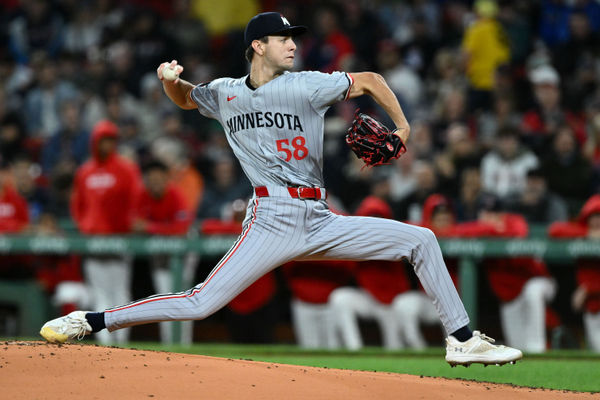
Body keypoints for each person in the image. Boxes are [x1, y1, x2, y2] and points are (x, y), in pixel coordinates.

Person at [40, 12, 522, 366]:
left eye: (293, 37)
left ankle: (461, 339)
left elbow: (371, 80)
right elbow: (188, 99)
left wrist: (403, 127)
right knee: (201, 303)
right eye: (282, 38)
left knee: (422, 240)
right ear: (257, 46)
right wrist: (171, 81)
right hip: (270, 220)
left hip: (320, 218)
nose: (292, 44)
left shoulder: (308, 85)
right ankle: (91, 320)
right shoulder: (227, 92)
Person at [67, 119, 142, 345]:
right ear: (95, 142)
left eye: (110, 140)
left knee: (120, 293)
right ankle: (106, 347)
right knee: (100, 294)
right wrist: (85, 226)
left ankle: (122, 342)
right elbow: (77, 204)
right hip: (93, 240)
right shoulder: (85, 171)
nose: (106, 145)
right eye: (102, 140)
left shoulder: (126, 169)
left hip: (119, 239)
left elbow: (135, 201)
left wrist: (127, 226)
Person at [133, 159, 193, 344]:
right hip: (159, 254)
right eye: (152, 180)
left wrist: (151, 228)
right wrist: (160, 229)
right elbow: (134, 224)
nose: (156, 183)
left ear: (167, 179)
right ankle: (169, 344)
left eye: (159, 179)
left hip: (184, 252)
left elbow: (182, 229)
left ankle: (185, 345)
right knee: (163, 299)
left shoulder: (176, 194)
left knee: (185, 300)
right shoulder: (142, 195)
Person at [549, 195, 600, 352]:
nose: (597, 220)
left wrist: (587, 289)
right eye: (593, 216)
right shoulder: (582, 233)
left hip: (591, 293)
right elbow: (554, 230)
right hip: (592, 302)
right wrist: (586, 234)